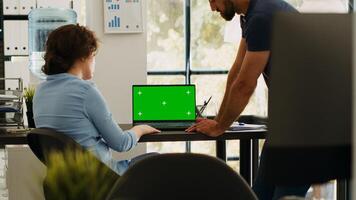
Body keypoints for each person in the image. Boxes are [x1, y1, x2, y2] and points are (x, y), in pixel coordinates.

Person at [186, 0, 310, 199]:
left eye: (212, 0)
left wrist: (219, 127)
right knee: (259, 195)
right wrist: (218, 121)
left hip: (307, 127)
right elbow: (236, 73)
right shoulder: (251, 15)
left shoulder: (262, 15)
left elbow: (245, 85)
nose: (212, 7)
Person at [33, 24, 160, 175]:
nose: (94, 62)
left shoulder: (40, 91)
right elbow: (121, 143)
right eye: (93, 56)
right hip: (101, 181)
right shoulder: (86, 91)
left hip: (65, 184)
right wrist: (141, 129)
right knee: (159, 162)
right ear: (83, 55)